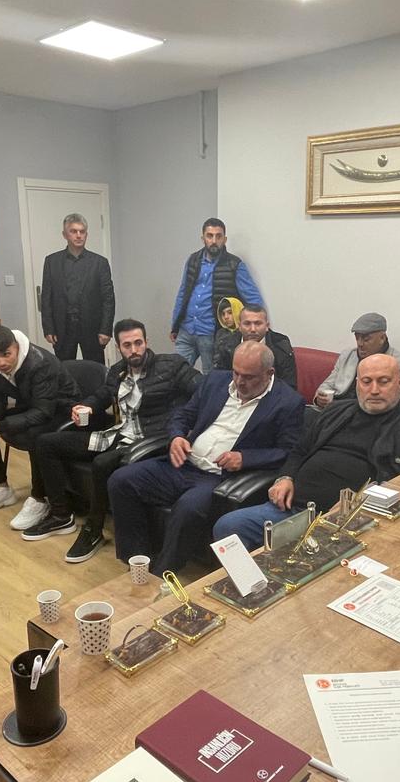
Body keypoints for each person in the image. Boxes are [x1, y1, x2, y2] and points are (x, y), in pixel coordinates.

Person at [107, 341, 302, 574]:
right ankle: (137, 561)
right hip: (183, 463)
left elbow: (288, 451)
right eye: (236, 372)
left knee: (188, 508)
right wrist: (177, 436)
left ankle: (163, 574)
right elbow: (183, 415)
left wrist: (245, 458)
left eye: (249, 377)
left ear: (269, 373)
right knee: (121, 480)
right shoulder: (216, 381)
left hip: (218, 478)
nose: (239, 381)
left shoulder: (288, 402)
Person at [214, 354, 400, 548]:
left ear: (399, 384)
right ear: (357, 384)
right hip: (293, 511)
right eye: (367, 381)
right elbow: (299, 450)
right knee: (228, 527)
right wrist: (285, 478)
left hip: (355, 522)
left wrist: (361, 504)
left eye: (383, 381)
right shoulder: (336, 412)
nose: (374, 390)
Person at [26, 319, 201, 563]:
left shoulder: (171, 366)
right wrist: (86, 406)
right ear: (119, 348)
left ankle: (93, 529)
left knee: (102, 462)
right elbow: (103, 395)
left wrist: (185, 427)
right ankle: (60, 515)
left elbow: (203, 390)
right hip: (118, 434)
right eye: (127, 345)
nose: (134, 350)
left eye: (138, 343)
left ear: (147, 342)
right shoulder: (118, 370)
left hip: (151, 441)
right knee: (46, 443)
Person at [0, 324, 80, 531]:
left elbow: (44, 412)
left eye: (6, 354)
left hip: (61, 409)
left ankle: (39, 498)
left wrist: (0, 426)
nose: (1, 362)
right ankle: (1, 486)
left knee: (36, 434)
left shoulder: (40, 363)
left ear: (16, 347)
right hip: (32, 403)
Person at [170, 218, 265, 370]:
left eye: (218, 236)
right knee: (177, 373)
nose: (214, 241)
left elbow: (252, 296)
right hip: (186, 329)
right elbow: (183, 293)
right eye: (210, 236)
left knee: (211, 377)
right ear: (203, 238)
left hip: (211, 333)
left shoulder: (234, 265)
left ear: (224, 239)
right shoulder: (193, 260)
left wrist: (260, 324)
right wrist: (175, 324)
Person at [40, 212, 115, 361]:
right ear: (65, 234)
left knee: (95, 368)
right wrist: (48, 328)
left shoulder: (99, 263)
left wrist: (106, 329)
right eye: (73, 231)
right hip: (63, 327)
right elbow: (46, 297)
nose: (78, 235)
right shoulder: (52, 261)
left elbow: (108, 299)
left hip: (92, 327)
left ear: (87, 234)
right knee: (64, 369)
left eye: (82, 231)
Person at [314, 313, 400, 407]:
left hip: (368, 414)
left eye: (366, 339)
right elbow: (328, 385)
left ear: (382, 338)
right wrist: (320, 399)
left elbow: (398, 401)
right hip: (335, 409)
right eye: (357, 338)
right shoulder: (348, 355)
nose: (360, 344)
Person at [212, 302, 297, 384]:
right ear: (240, 326)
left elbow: (289, 385)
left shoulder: (281, 344)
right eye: (247, 324)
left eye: (258, 324)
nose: (253, 329)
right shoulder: (226, 344)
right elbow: (219, 381)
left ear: (267, 326)